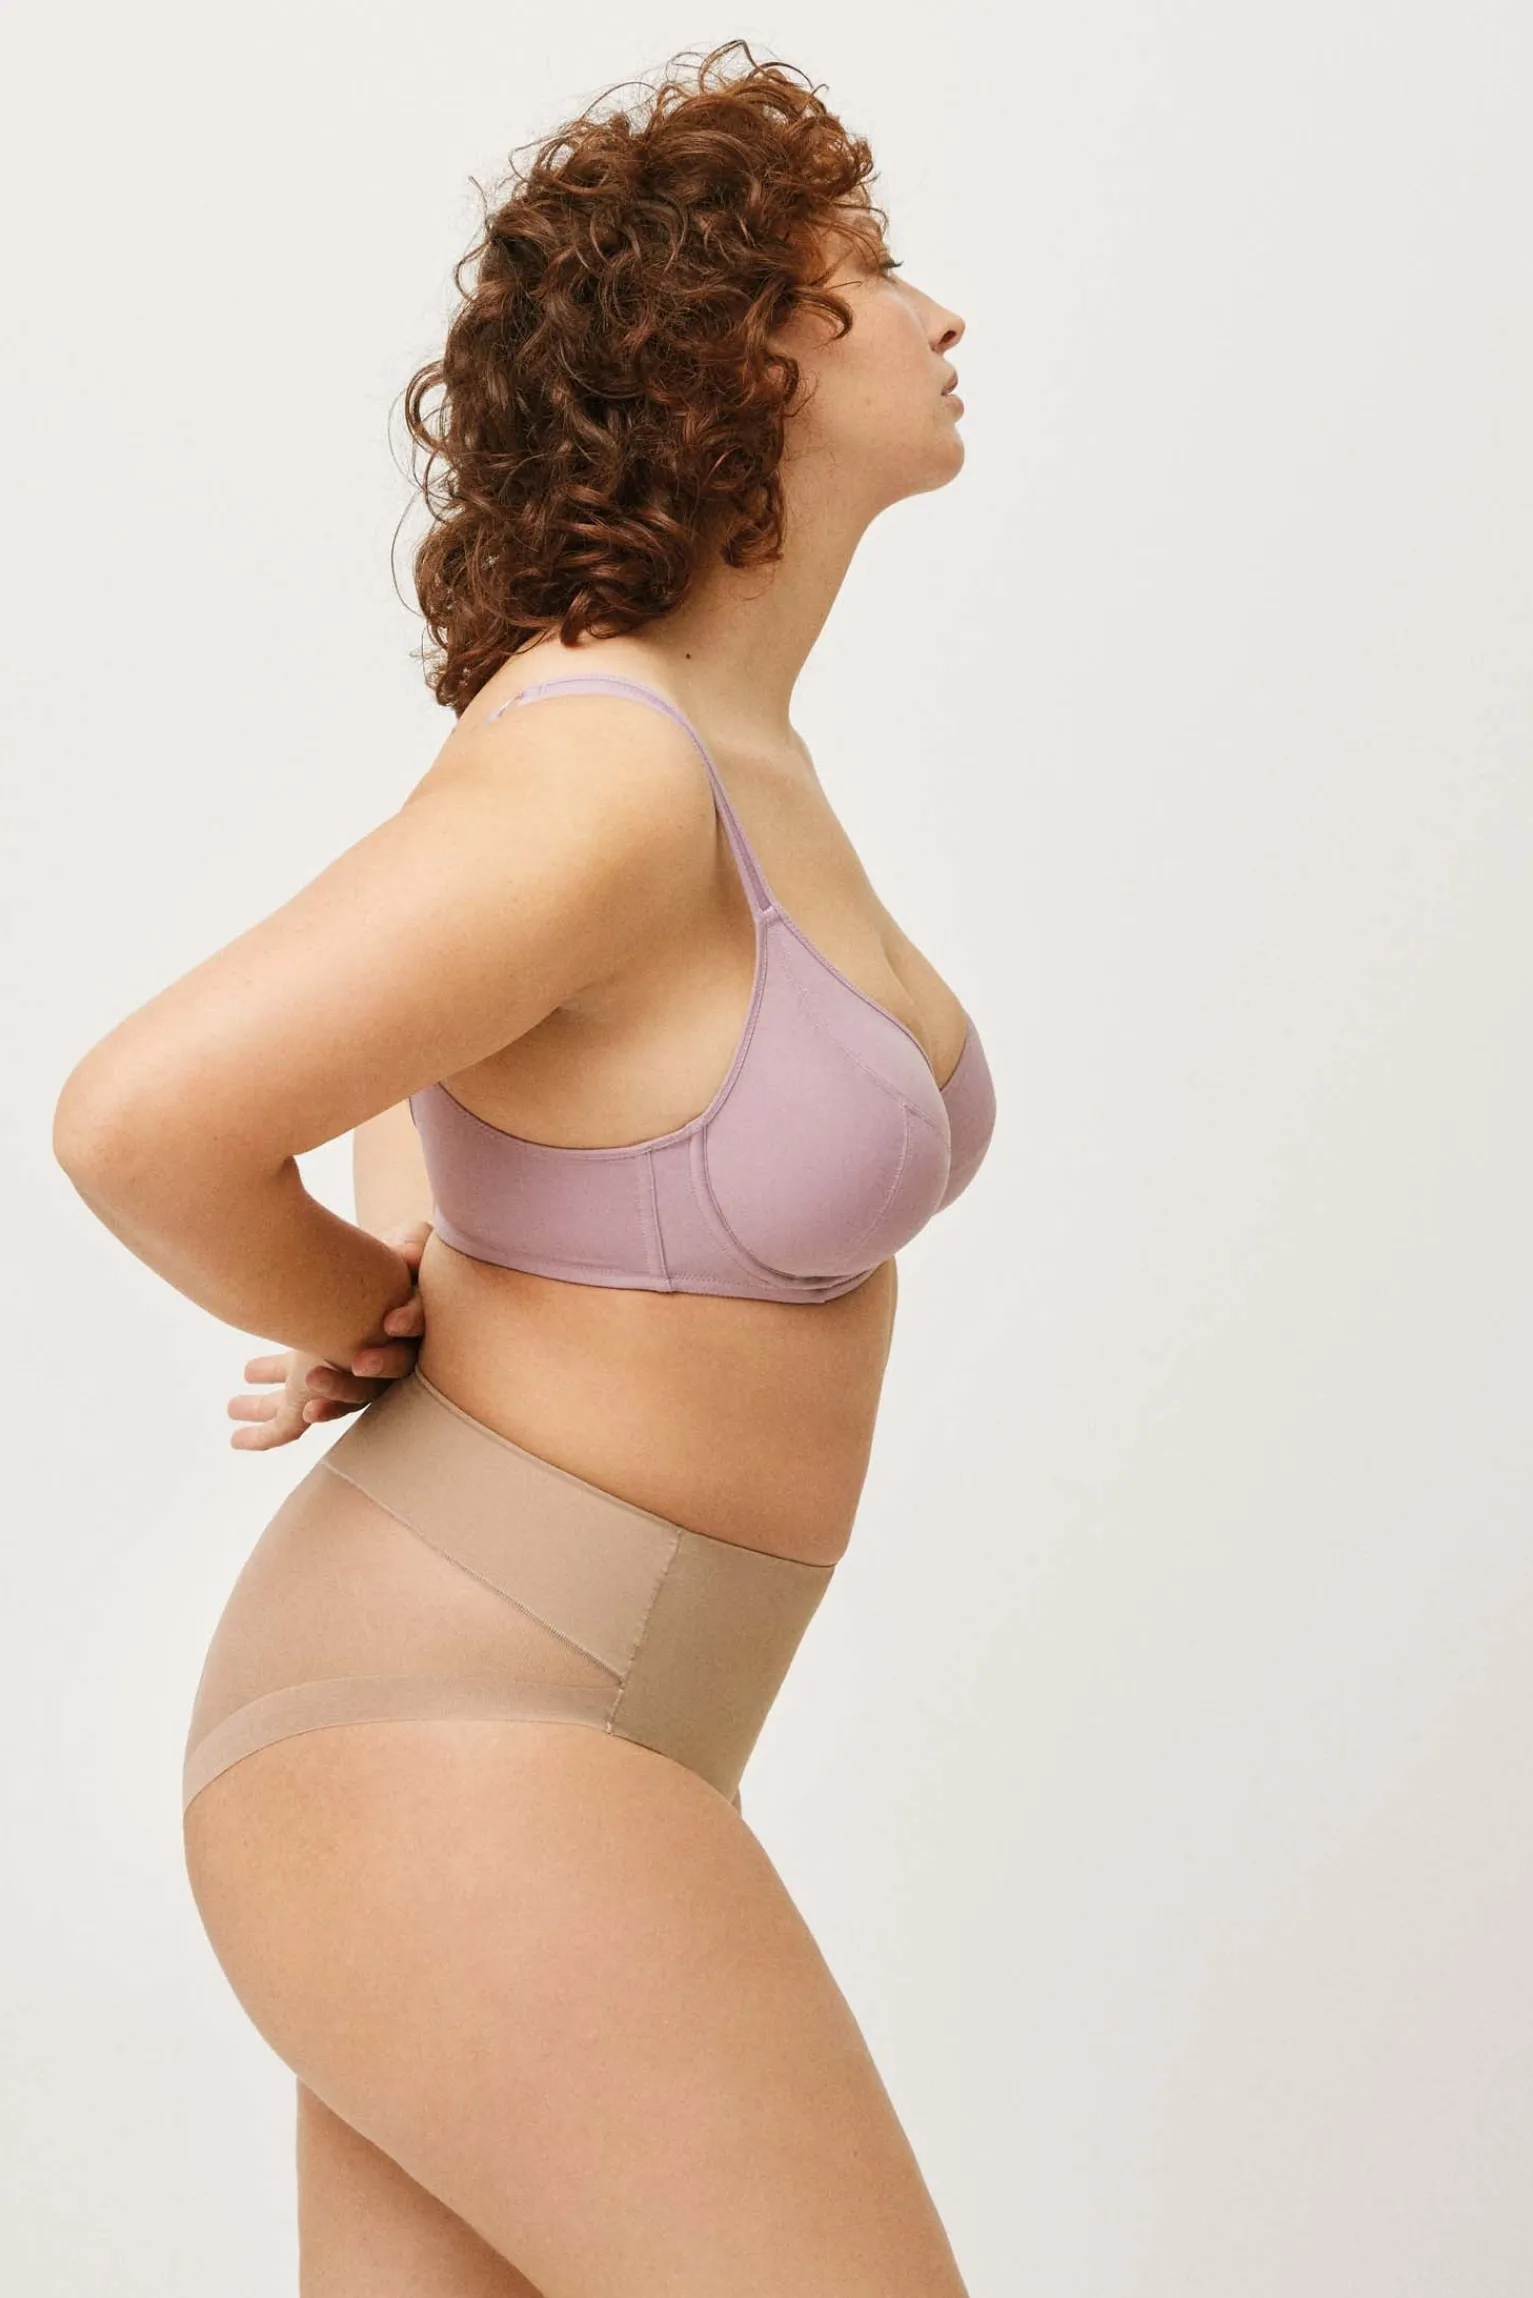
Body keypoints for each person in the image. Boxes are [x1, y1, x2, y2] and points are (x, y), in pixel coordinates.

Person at [53, 39, 994, 2295]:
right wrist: (361, 1313)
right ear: (741, 352)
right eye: (872, 270)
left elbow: (440, 1056)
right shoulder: (606, 767)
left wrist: (405, 1246)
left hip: (544, 1742)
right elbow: (138, 1120)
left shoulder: (711, 752)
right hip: (462, 1735)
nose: (940, 312)